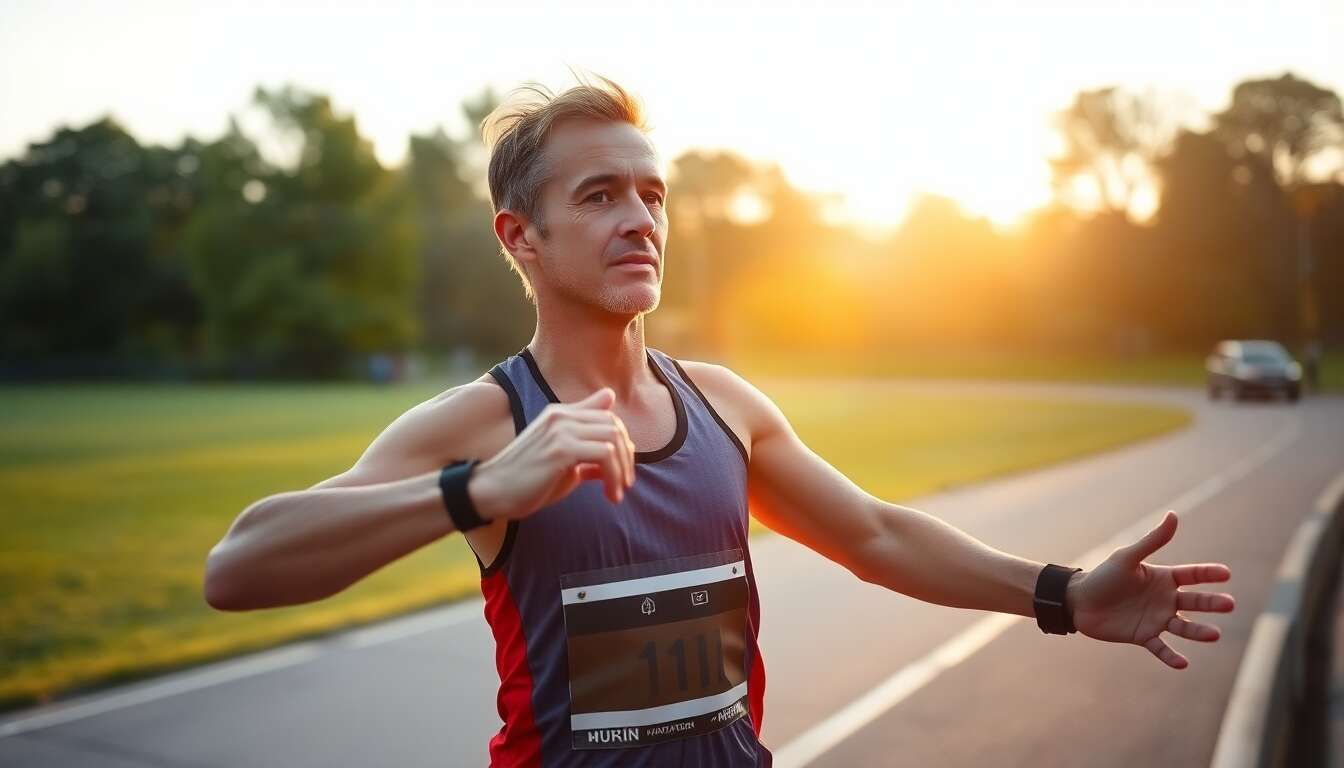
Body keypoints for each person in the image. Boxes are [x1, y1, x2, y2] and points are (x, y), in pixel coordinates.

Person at [203, 76, 1236, 767]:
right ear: (521, 235)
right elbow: (238, 567)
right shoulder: (481, 425)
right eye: (601, 195)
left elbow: (874, 535)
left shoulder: (724, 406)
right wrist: (478, 491)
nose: (641, 220)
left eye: (652, 194)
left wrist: (1059, 594)